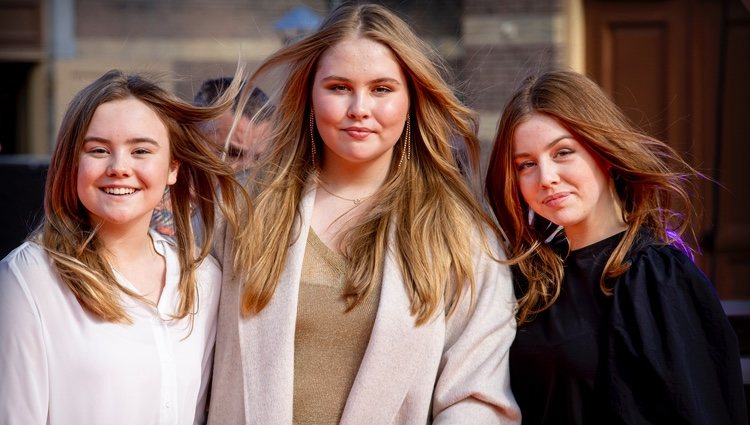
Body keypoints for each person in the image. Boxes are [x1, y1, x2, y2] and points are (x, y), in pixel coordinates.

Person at [207, 3, 520, 424]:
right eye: (338, 87)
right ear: (309, 94)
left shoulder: (461, 235)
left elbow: (478, 397)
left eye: (382, 89)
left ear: (411, 98)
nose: (359, 107)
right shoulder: (243, 214)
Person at [485, 69, 747, 424]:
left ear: (603, 152)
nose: (545, 178)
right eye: (526, 164)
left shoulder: (657, 278)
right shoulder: (529, 283)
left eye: (563, 152)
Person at [0, 69, 250, 424]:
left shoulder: (203, 281)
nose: (119, 167)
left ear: (173, 168)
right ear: (73, 164)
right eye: (98, 150)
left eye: (141, 150)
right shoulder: (28, 281)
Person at [149, 77, 271, 237]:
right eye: (233, 154)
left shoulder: (261, 215)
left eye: (258, 159)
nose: (247, 170)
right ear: (191, 138)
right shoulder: (148, 208)